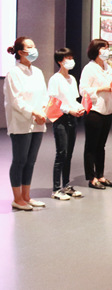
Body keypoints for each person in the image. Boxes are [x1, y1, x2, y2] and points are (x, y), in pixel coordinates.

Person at [4, 37, 48, 211]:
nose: (34, 49)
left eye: (34, 45)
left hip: (38, 121)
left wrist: (42, 111)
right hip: (21, 122)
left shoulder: (37, 72)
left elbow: (44, 96)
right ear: (21, 52)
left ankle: (26, 196)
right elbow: (16, 101)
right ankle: (17, 198)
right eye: (30, 46)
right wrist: (34, 112)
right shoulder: (13, 73)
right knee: (20, 160)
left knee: (31, 161)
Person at [47, 48, 85, 200]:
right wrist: (70, 110)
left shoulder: (72, 79)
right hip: (60, 118)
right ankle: (56, 189)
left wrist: (79, 108)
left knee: (69, 154)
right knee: (61, 153)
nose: (71, 61)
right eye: (67, 58)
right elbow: (54, 101)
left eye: (71, 57)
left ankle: (66, 185)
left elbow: (73, 99)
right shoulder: (55, 79)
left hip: (72, 118)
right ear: (60, 61)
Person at [79, 39, 112, 190]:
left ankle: (100, 175)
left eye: (107, 48)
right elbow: (83, 90)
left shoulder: (108, 67)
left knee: (101, 145)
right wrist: (101, 89)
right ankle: (91, 177)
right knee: (91, 145)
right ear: (96, 50)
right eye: (103, 48)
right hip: (94, 110)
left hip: (107, 109)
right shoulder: (89, 68)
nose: (106, 51)